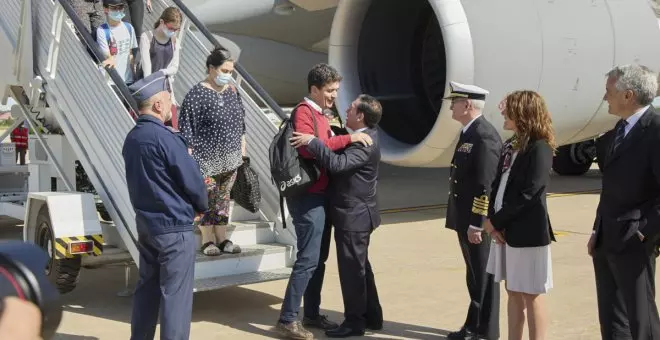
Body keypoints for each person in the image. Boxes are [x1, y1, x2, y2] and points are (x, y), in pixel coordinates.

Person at [274, 63, 373, 339]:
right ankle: (287, 319)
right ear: (314, 89)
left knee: (318, 258)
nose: (333, 96)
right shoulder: (304, 112)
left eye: (336, 91)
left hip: (320, 196)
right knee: (308, 258)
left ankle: (312, 314)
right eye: (330, 91)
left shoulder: (320, 114)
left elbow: (319, 143)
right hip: (308, 197)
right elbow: (307, 148)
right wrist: (349, 138)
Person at [122, 71, 208, 340]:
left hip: (147, 227)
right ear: (158, 104)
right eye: (169, 99)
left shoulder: (132, 138)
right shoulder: (166, 138)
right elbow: (193, 181)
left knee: (147, 290)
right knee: (175, 299)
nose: (172, 105)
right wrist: (201, 206)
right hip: (174, 228)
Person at [290, 94, 385, 338]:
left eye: (352, 108)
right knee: (362, 267)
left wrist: (312, 141)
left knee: (352, 270)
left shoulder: (363, 143)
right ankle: (372, 315)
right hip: (355, 214)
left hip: (353, 216)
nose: (347, 109)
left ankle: (354, 322)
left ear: (361, 116)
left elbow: (337, 164)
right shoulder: (364, 135)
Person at [588, 64, 660, 340]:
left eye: (609, 91)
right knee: (612, 318)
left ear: (628, 95)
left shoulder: (654, 130)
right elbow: (611, 188)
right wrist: (598, 229)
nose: (605, 97)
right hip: (608, 238)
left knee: (642, 321)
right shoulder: (620, 130)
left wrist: (645, 232)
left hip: (634, 240)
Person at [483, 90, 557, 340]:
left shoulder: (540, 147)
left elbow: (530, 193)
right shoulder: (510, 145)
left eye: (509, 109)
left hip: (527, 232)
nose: (502, 112)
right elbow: (497, 185)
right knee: (513, 290)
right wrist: (492, 220)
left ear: (523, 114)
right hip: (505, 231)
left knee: (531, 293)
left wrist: (497, 221)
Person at [443, 81, 501, 340]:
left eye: (454, 102)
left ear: (467, 105)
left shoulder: (484, 135)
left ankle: (485, 331)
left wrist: (478, 222)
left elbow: (484, 185)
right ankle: (474, 326)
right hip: (464, 218)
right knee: (474, 276)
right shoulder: (469, 133)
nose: (451, 106)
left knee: (484, 277)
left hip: (475, 221)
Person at [178, 47, 246, 256]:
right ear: (211, 68)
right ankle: (207, 239)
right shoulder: (196, 95)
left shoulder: (233, 92)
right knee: (207, 198)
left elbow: (241, 123)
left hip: (231, 158)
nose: (228, 75)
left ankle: (222, 236)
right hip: (205, 160)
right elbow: (186, 129)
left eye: (231, 71)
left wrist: (243, 148)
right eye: (224, 70)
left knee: (223, 199)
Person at [137, 6, 182, 128]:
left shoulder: (174, 42)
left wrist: (162, 72)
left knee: (171, 124)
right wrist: (154, 92)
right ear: (162, 22)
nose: (173, 32)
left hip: (165, 85)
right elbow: (147, 70)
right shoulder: (147, 37)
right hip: (147, 86)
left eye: (176, 29)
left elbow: (174, 67)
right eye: (170, 28)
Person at [96, 0, 138, 86]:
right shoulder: (102, 30)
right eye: (114, 8)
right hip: (111, 81)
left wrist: (134, 75)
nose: (118, 11)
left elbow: (130, 54)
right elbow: (108, 56)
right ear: (106, 9)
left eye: (121, 7)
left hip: (128, 80)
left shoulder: (129, 27)